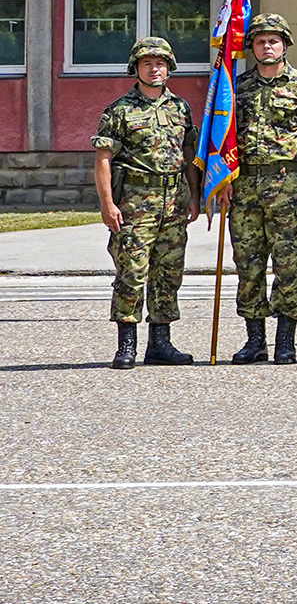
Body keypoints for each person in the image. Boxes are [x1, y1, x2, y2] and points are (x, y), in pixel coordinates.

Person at [225, 12, 297, 366]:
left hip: (287, 184)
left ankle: (286, 340)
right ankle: (255, 340)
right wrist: (221, 181)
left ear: (285, 45)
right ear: (251, 47)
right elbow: (222, 137)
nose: (267, 47)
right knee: (247, 264)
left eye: (273, 41)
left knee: (288, 263)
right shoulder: (236, 87)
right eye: (260, 42)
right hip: (245, 187)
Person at [94, 35, 198, 369]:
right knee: (132, 271)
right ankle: (126, 345)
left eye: (161, 63)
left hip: (174, 200)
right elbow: (103, 159)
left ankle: (160, 343)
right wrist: (107, 204)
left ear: (169, 68)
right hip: (135, 202)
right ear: (136, 68)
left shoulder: (180, 108)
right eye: (147, 63)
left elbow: (188, 154)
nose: (155, 69)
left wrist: (194, 196)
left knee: (168, 272)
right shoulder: (120, 110)